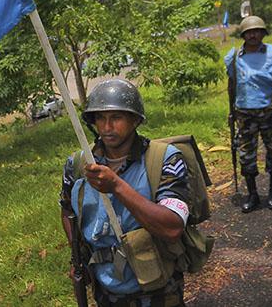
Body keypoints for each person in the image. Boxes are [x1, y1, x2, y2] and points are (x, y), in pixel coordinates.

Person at [60, 79, 191, 307]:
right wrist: (78, 256)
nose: (107, 127)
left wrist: (117, 186)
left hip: (157, 287)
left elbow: (172, 227)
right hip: (106, 289)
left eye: (116, 118)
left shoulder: (165, 160)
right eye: (100, 118)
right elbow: (67, 210)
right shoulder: (79, 164)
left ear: (135, 120)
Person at [225, 15, 272, 213]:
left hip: (270, 112)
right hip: (244, 114)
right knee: (246, 155)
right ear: (243, 34)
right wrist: (231, 112)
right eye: (249, 32)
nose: (253, 35)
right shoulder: (233, 57)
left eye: (257, 31)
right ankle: (253, 194)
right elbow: (231, 86)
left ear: (263, 33)